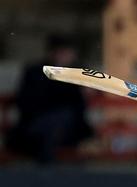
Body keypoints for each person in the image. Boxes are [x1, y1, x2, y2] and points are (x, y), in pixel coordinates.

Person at [6, 34, 92, 163]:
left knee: (59, 120)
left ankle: (46, 156)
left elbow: (78, 109)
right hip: (36, 124)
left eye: (67, 53)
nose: (65, 56)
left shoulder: (76, 75)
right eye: (62, 52)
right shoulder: (36, 73)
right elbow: (26, 102)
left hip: (65, 129)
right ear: (52, 53)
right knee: (53, 124)